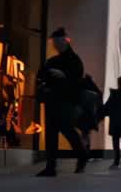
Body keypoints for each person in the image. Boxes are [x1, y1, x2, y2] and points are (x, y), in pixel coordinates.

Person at [36, 27, 88, 176]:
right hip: (52, 100)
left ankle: (81, 154)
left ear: (65, 41)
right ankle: (51, 166)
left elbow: (77, 82)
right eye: (54, 43)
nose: (55, 45)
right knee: (52, 133)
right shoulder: (53, 61)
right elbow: (42, 76)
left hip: (65, 101)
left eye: (57, 42)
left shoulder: (74, 61)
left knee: (66, 129)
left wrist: (63, 76)